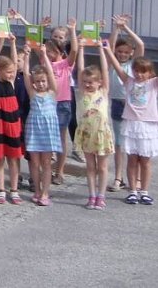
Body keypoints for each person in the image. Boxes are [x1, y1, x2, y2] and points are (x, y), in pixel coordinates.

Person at [106, 42, 158, 206]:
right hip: (131, 124)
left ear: (150, 73)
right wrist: (107, 49)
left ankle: (144, 191)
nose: (139, 74)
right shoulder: (129, 81)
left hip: (147, 126)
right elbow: (116, 66)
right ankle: (133, 191)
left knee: (146, 161)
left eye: (143, 72)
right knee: (132, 160)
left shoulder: (152, 84)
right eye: (136, 71)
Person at [74, 39, 113, 209]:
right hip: (87, 134)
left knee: (102, 167)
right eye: (86, 82)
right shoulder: (82, 92)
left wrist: (100, 49)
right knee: (90, 166)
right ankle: (91, 195)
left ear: (99, 83)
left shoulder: (103, 92)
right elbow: (81, 70)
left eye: (92, 82)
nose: (88, 85)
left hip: (102, 133)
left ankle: (101, 196)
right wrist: (81, 48)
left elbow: (105, 70)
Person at [108, 15, 144, 192]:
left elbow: (141, 45)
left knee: (134, 142)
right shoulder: (112, 64)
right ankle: (118, 177)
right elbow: (109, 46)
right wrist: (116, 28)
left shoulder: (133, 64)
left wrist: (126, 29)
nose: (121, 54)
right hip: (116, 104)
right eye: (119, 51)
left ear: (130, 53)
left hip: (132, 106)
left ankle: (135, 178)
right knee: (119, 143)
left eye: (125, 52)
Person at [23, 42, 61, 206]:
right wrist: (26, 55)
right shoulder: (32, 93)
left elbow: (51, 74)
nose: (40, 84)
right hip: (34, 130)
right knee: (34, 163)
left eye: (43, 81)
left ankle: (45, 192)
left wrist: (44, 54)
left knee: (46, 163)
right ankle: (37, 190)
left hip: (48, 132)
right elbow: (25, 74)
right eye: (37, 81)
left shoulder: (52, 93)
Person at [0, 32, 23, 205]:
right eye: (7, 72)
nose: (11, 74)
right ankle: (1, 189)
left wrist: (13, 43)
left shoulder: (12, 83)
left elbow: (15, 63)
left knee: (14, 159)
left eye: (12, 72)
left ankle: (14, 190)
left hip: (13, 124)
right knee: (0, 159)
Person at [46, 20, 78, 185]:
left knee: (60, 138)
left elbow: (74, 50)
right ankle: (47, 171)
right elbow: (36, 45)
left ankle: (60, 171)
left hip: (63, 104)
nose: (49, 54)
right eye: (48, 51)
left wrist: (72, 30)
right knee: (48, 139)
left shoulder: (65, 64)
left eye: (52, 51)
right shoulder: (46, 65)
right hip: (48, 103)